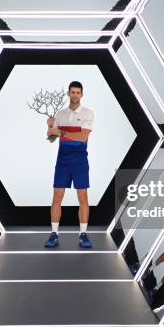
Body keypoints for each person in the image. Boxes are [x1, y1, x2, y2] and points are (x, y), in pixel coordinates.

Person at [44, 81, 94, 248]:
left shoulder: (88, 113)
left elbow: (83, 137)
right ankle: (54, 235)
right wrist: (50, 126)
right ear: (68, 93)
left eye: (77, 92)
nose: (74, 95)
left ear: (82, 94)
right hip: (63, 160)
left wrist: (60, 132)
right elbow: (51, 139)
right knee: (57, 198)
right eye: (72, 92)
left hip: (79, 160)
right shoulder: (60, 114)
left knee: (83, 198)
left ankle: (83, 235)